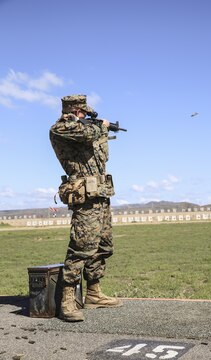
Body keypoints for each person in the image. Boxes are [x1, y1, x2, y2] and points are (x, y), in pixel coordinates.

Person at [49, 94, 123, 322]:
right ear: (72, 111)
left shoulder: (85, 129)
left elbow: (95, 148)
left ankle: (94, 293)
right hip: (84, 196)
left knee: (103, 245)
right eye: (82, 112)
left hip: (100, 194)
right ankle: (67, 300)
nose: (84, 116)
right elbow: (86, 133)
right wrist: (102, 127)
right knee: (81, 247)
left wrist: (100, 129)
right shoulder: (61, 129)